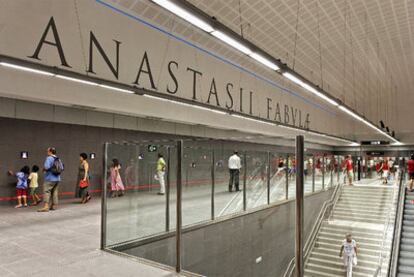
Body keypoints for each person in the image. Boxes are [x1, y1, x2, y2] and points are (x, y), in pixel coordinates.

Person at [38, 147, 63, 212]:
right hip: (57, 178)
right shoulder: (58, 159)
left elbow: (46, 167)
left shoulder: (49, 158)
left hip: (50, 178)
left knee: (47, 191)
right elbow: (62, 168)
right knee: (54, 192)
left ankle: (46, 206)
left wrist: (43, 169)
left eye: (48, 151)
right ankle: (53, 206)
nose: (47, 152)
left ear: (50, 152)